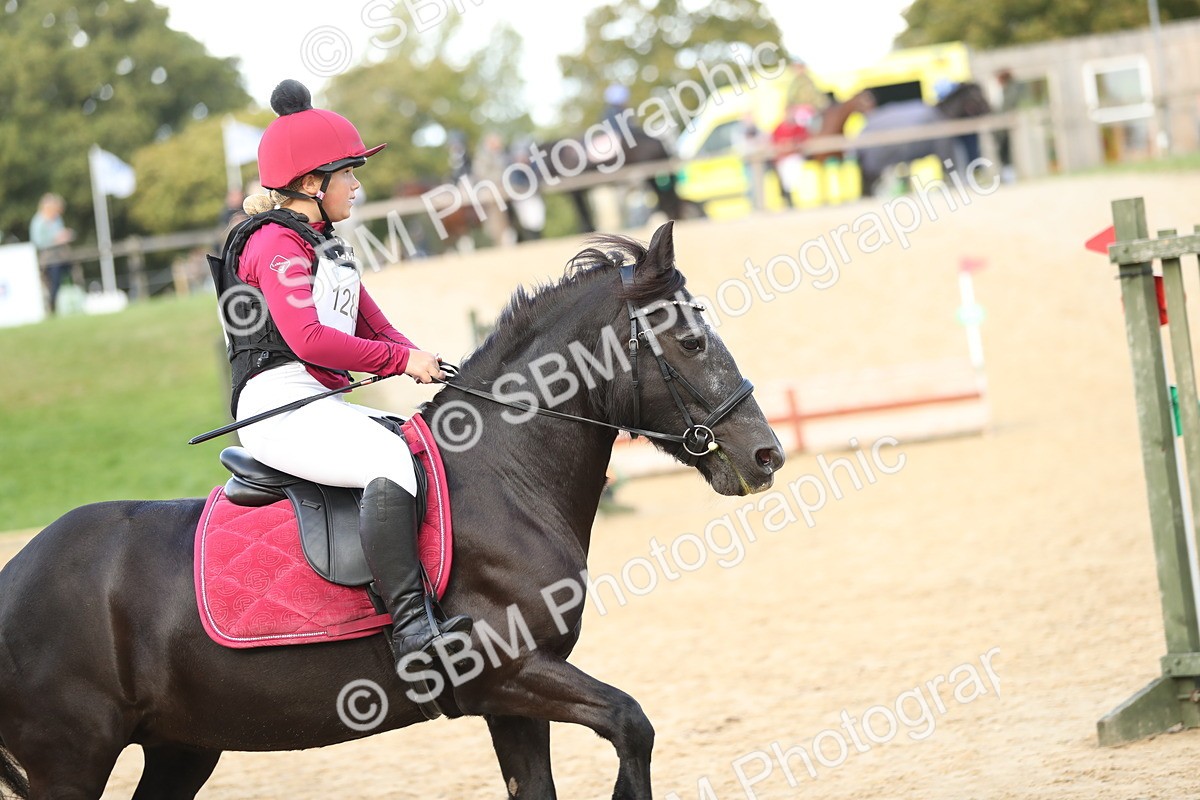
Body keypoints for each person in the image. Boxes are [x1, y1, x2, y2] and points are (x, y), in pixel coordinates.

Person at [211, 79, 472, 674]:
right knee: (389, 461)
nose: (358, 183)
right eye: (348, 173)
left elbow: (376, 325)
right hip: (274, 406)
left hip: (312, 402)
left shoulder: (325, 244)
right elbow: (307, 340)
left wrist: (425, 359)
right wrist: (399, 363)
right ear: (310, 184)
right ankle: (411, 628)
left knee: (417, 443)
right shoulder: (274, 243)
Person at [29, 193, 75, 314]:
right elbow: (37, 241)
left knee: (70, 274)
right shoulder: (38, 222)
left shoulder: (57, 219)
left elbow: (61, 232)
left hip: (62, 255)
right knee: (54, 282)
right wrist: (55, 240)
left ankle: (69, 303)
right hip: (48, 258)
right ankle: (52, 306)